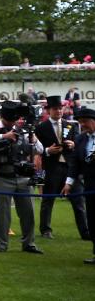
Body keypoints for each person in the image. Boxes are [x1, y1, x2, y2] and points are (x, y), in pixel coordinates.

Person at [0, 100, 43, 254]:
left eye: (13, 120)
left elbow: (40, 149)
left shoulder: (24, 130)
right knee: (3, 214)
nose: (11, 123)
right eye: (9, 120)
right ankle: (2, 243)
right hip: (2, 176)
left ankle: (29, 243)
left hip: (23, 176)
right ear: (2, 117)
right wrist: (4, 135)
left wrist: (33, 139)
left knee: (28, 212)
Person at [35, 95, 89, 240]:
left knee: (78, 201)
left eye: (60, 108)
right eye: (55, 109)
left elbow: (78, 144)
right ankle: (45, 230)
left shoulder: (70, 125)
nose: (58, 111)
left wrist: (73, 144)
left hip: (71, 168)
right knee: (48, 200)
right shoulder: (40, 128)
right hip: (52, 167)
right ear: (49, 110)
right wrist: (48, 150)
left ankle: (85, 232)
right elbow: (36, 148)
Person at [62, 106, 95, 264]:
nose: (83, 125)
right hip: (89, 187)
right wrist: (69, 183)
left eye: (86, 122)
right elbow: (74, 163)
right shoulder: (81, 139)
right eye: (81, 122)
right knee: (93, 220)